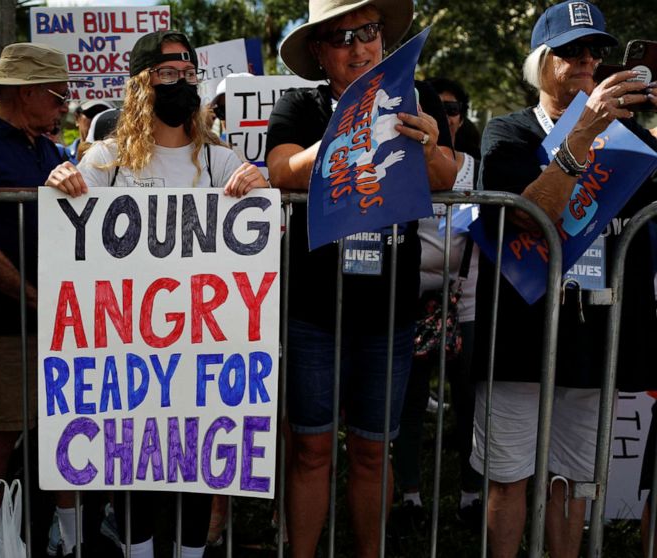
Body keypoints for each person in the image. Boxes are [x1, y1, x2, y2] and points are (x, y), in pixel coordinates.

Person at [46, 30, 269, 558]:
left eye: (189, 74)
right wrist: (61, 184)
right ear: (141, 85)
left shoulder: (220, 161)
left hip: (200, 348)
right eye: (168, 74)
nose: (182, 84)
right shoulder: (105, 161)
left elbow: (257, 246)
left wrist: (258, 193)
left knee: (192, 460)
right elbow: (69, 231)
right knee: (132, 460)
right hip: (128, 352)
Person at [264, 0, 457, 554]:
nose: (359, 46)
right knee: (312, 449)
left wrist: (421, 143)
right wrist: (345, 136)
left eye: (368, 32)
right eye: (341, 37)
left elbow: (447, 176)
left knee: (374, 450)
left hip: (389, 313)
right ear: (320, 52)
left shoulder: (414, 100)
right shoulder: (299, 105)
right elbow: (279, 171)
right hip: (312, 312)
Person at [470, 2, 657, 557]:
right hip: (519, 333)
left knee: (572, 484)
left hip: (594, 332)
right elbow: (527, 216)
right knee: (508, 481)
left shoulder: (629, 138)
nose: (587, 61)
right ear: (541, 61)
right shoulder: (507, 132)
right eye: (571, 50)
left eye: (595, 50)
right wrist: (582, 134)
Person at [0, 41, 80, 554]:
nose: (64, 104)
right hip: (3, 326)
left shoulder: (49, 150)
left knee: (66, 437)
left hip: (56, 324)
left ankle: (67, 539)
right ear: (26, 92)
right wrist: (33, 298)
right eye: (58, 94)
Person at [390, 76, 483, 542]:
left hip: (463, 300)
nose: (444, 116)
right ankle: (410, 498)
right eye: (434, 107)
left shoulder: (474, 168)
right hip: (407, 298)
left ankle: (470, 496)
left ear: (462, 116)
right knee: (408, 401)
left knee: (469, 400)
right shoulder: (397, 164)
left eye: (452, 108)